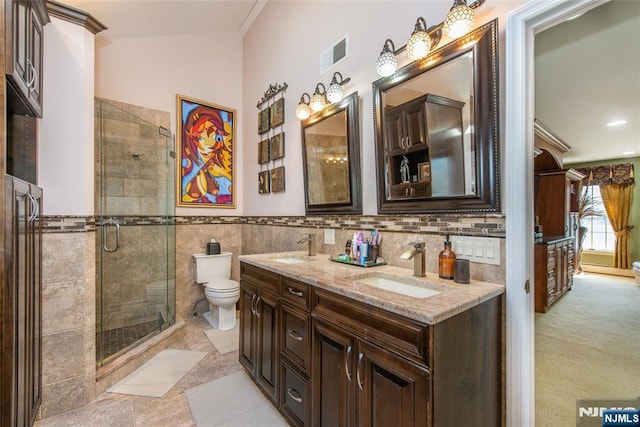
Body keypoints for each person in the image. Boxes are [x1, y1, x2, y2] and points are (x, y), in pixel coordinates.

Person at [181, 105, 233, 204]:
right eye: (200, 139)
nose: (208, 145)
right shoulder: (213, 169)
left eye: (213, 137)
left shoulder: (228, 138)